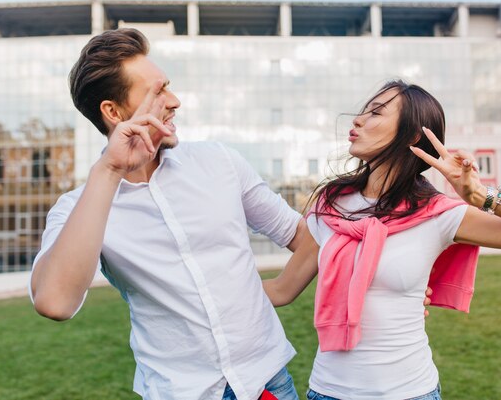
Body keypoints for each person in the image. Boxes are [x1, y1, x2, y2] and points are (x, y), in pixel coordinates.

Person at [29, 28, 309, 400]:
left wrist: (280, 289)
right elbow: (55, 302)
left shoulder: (219, 162)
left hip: (267, 382)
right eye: (157, 92)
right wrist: (109, 171)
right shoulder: (80, 207)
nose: (174, 101)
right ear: (113, 112)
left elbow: (304, 235)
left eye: (167, 87)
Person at [263, 80, 501, 400]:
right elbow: (281, 290)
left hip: (410, 392)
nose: (357, 120)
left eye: (375, 112)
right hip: (327, 391)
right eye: (363, 112)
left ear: (413, 134)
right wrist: (213, 284)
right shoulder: (329, 205)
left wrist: (478, 194)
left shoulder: (438, 213)